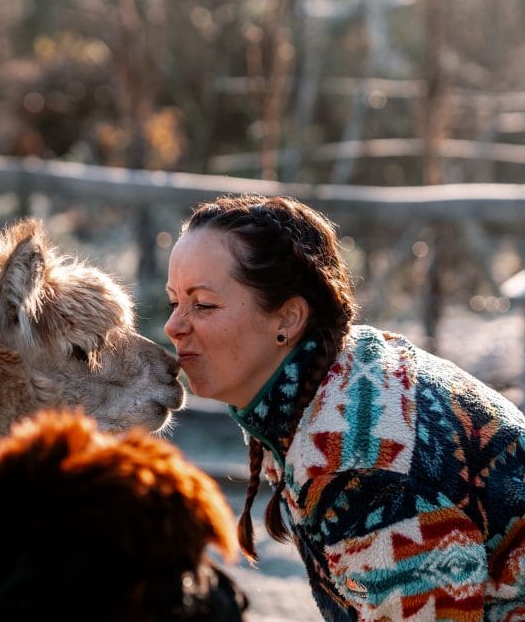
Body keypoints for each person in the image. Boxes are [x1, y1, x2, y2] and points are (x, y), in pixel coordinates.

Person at [163, 193, 525, 620]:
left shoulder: (356, 454)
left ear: (288, 319)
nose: (173, 326)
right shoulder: (338, 378)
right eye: (174, 302)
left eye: (202, 304)